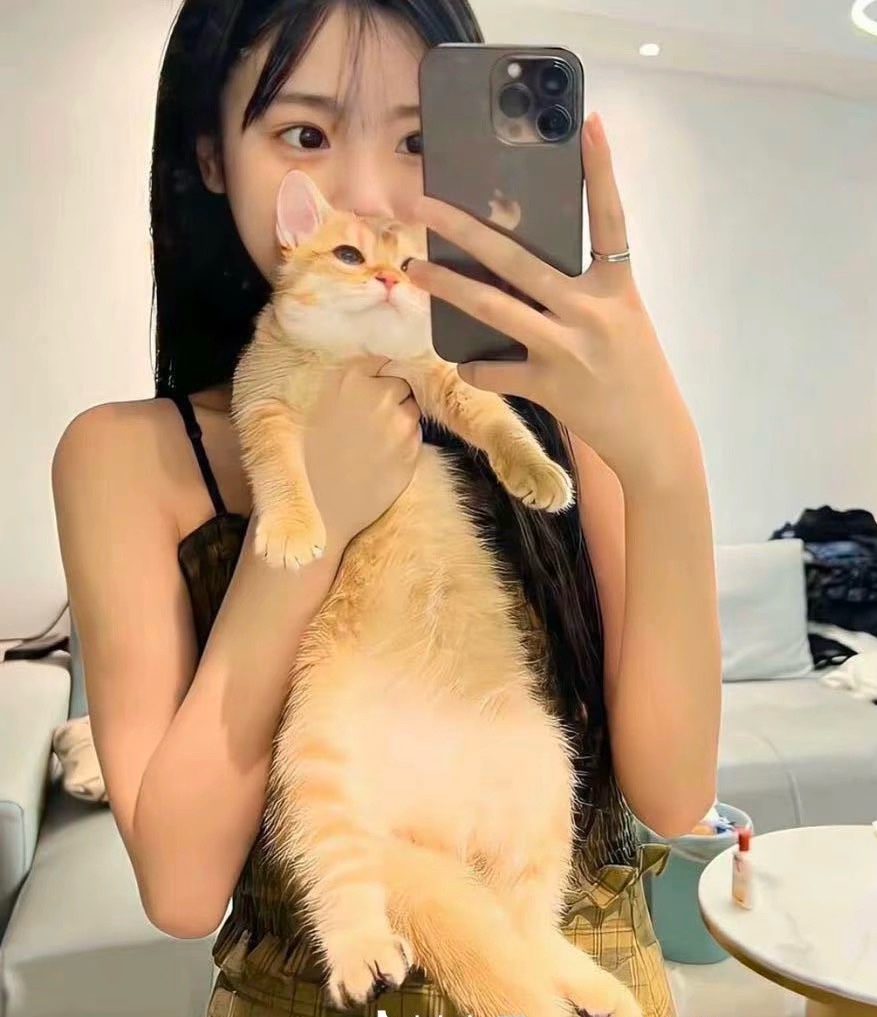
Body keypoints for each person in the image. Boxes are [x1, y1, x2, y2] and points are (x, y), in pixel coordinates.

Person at [52, 1, 722, 1015]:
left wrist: (667, 458)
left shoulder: (551, 414)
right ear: (212, 155)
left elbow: (674, 795)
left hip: (582, 971)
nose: (365, 194)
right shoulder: (127, 457)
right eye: (305, 133)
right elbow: (182, 890)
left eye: (416, 140)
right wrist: (310, 518)